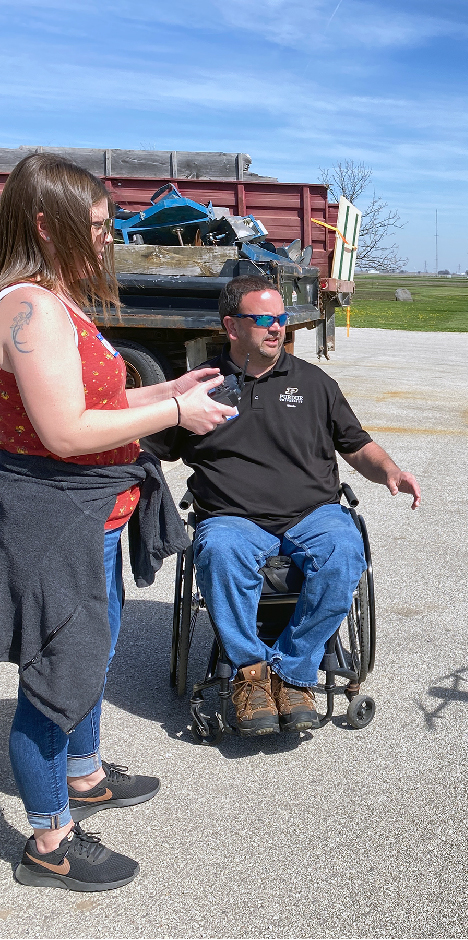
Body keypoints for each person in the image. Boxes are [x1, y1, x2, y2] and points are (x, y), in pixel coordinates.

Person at [0, 152, 237, 891]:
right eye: (98, 227)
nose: (109, 239)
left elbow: (92, 403)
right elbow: (67, 431)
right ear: (47, 223)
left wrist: (169, 383)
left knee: (92, 658)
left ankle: (86, 774)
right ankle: (49, 842)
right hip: (57, 520)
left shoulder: (57, 301)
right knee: (57, 673)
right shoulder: (27, 308)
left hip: (96, 513)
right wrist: (173, 412)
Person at [155, 276, 419, 739]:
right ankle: (251, 675)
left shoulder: (314, 383)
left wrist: (390, 471)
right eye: (263, 320)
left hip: (311, 513)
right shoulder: (204, 387)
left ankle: (294, 673)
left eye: (280, 319)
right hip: (232, 516)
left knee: (344, 547)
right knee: (217, 551)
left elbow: (356, 445)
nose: (276, 328)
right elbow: (157, 445)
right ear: (231, 327)